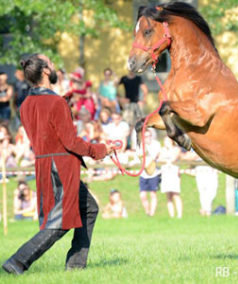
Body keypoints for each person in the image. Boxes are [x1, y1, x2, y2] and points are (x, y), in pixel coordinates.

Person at [2, 54, 112, 275]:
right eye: (51, 64)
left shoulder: (25, 105)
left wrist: (63, 103)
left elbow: (46, 130)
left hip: (45, 164)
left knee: (89, 209)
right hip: (61, 166)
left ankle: (75, 266)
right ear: (44, 71)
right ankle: (18, 261)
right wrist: (100, 150)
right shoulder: (56, 102)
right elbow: (70, 142)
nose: (54, 68)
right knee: (61, 220)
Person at [159, 137, 183, 218]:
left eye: (168, 141)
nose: (166, 143)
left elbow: (174, 158)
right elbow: (159, 158)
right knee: (168, 196)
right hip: (165, 173)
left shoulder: (176, 149)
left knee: (176, 194)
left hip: (173, 173)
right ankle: (171, 215)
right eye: (165, 141)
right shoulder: (162, 150)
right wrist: (167, 159)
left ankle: (179, 215)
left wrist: (167, 158)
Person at [139, 129, 161, 216]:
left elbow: (154, 156)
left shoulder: (156, 144)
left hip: (153, 173)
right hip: (143, 174)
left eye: (149, 136)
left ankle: (152, 213)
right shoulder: (141, 145)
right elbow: (138, 156)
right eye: (146, 137)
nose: (148, 138)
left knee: (153, 194)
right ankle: (147, 211)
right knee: (142, 195)